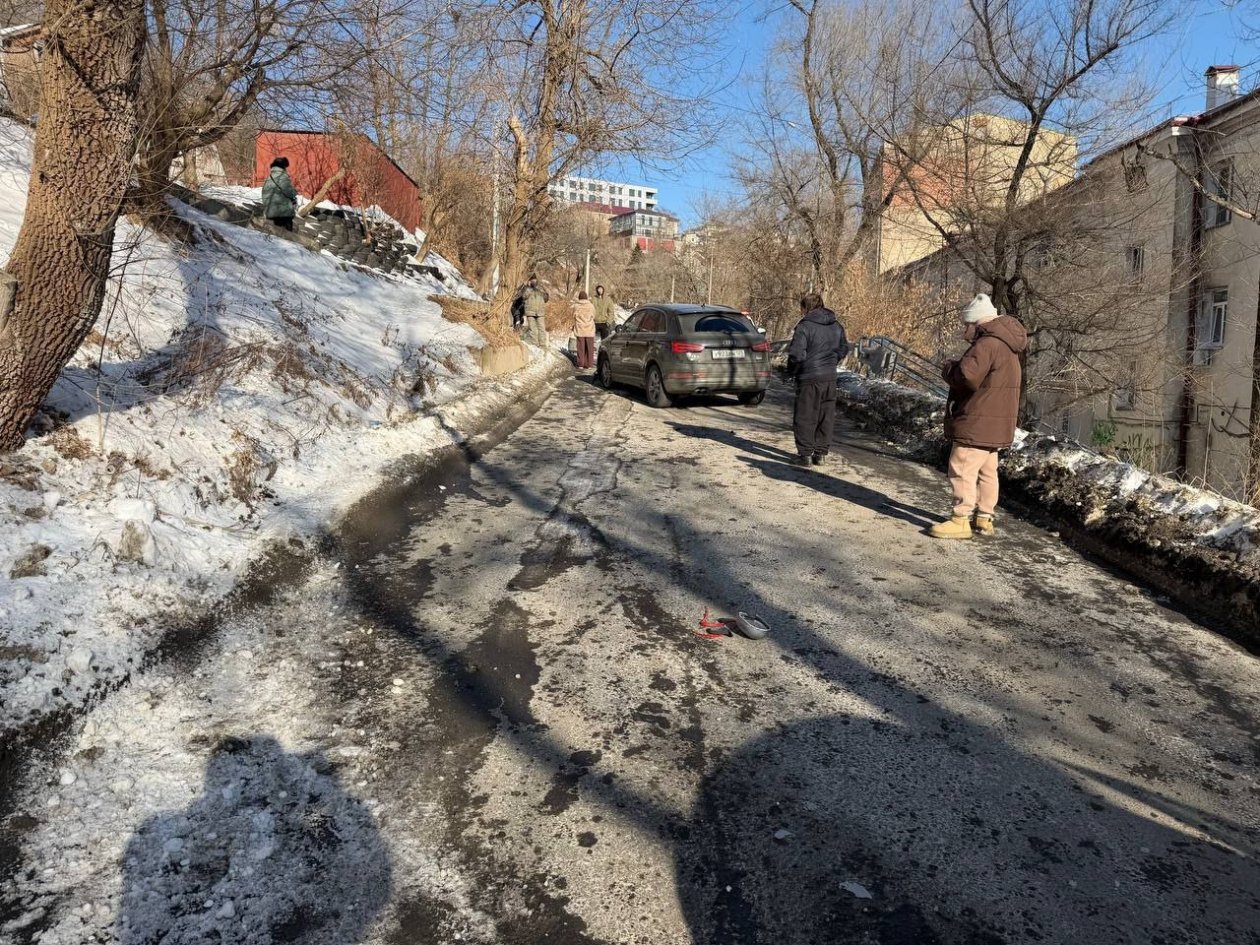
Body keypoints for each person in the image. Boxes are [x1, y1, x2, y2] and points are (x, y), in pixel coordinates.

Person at [930, 292, 1028, 540]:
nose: (965, 330)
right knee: (987, 471)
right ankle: (984, 517)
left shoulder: (987, 344)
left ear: (977, 322)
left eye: (967, 324)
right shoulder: (1009, 345)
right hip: (996, 424)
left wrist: (949, 368)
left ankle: (960, 519)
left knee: (962, 466)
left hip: (977, 420)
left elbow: (967, 377)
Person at [787, 292, 849, 466]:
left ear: (806, 307)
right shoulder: (836, 325)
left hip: (809, 376)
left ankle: (805, 455)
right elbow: (844, 347)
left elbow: (797, 355)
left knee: (805, 416)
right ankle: (820, 454)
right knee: (825, 416)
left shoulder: (804, 326)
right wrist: (832, 360)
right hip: (830, 377)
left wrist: (792, 371)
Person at [260, 156, 298, 231]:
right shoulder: (282, 177)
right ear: (283, 166)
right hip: (282, 213)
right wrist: (294, 191)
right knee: (287, 238)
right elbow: (290, 192)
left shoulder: (269, 177)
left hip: (270, 212)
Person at [519, 275, 549, 347]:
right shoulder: (526, 288)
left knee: (542, 328)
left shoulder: (541, 288)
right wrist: (528, 288)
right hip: (530, 311)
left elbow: (546, 299)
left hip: (540, 311)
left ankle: (542, 345)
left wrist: (542, 292)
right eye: (532, 280)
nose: (534, 281)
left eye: (535, 279)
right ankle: (534, 344)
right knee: (532, 329)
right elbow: (524, 297)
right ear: (529, 281)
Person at [571, 290, 597, 369]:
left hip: (580, 328)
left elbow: (573, 316)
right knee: (589, 347)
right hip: (589, 328)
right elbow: (594, 315)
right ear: (586, 297)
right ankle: (589, 364)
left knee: (580, 347)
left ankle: (581, 364)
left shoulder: (576, 306)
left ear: (579, 298)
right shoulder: (591, 305)